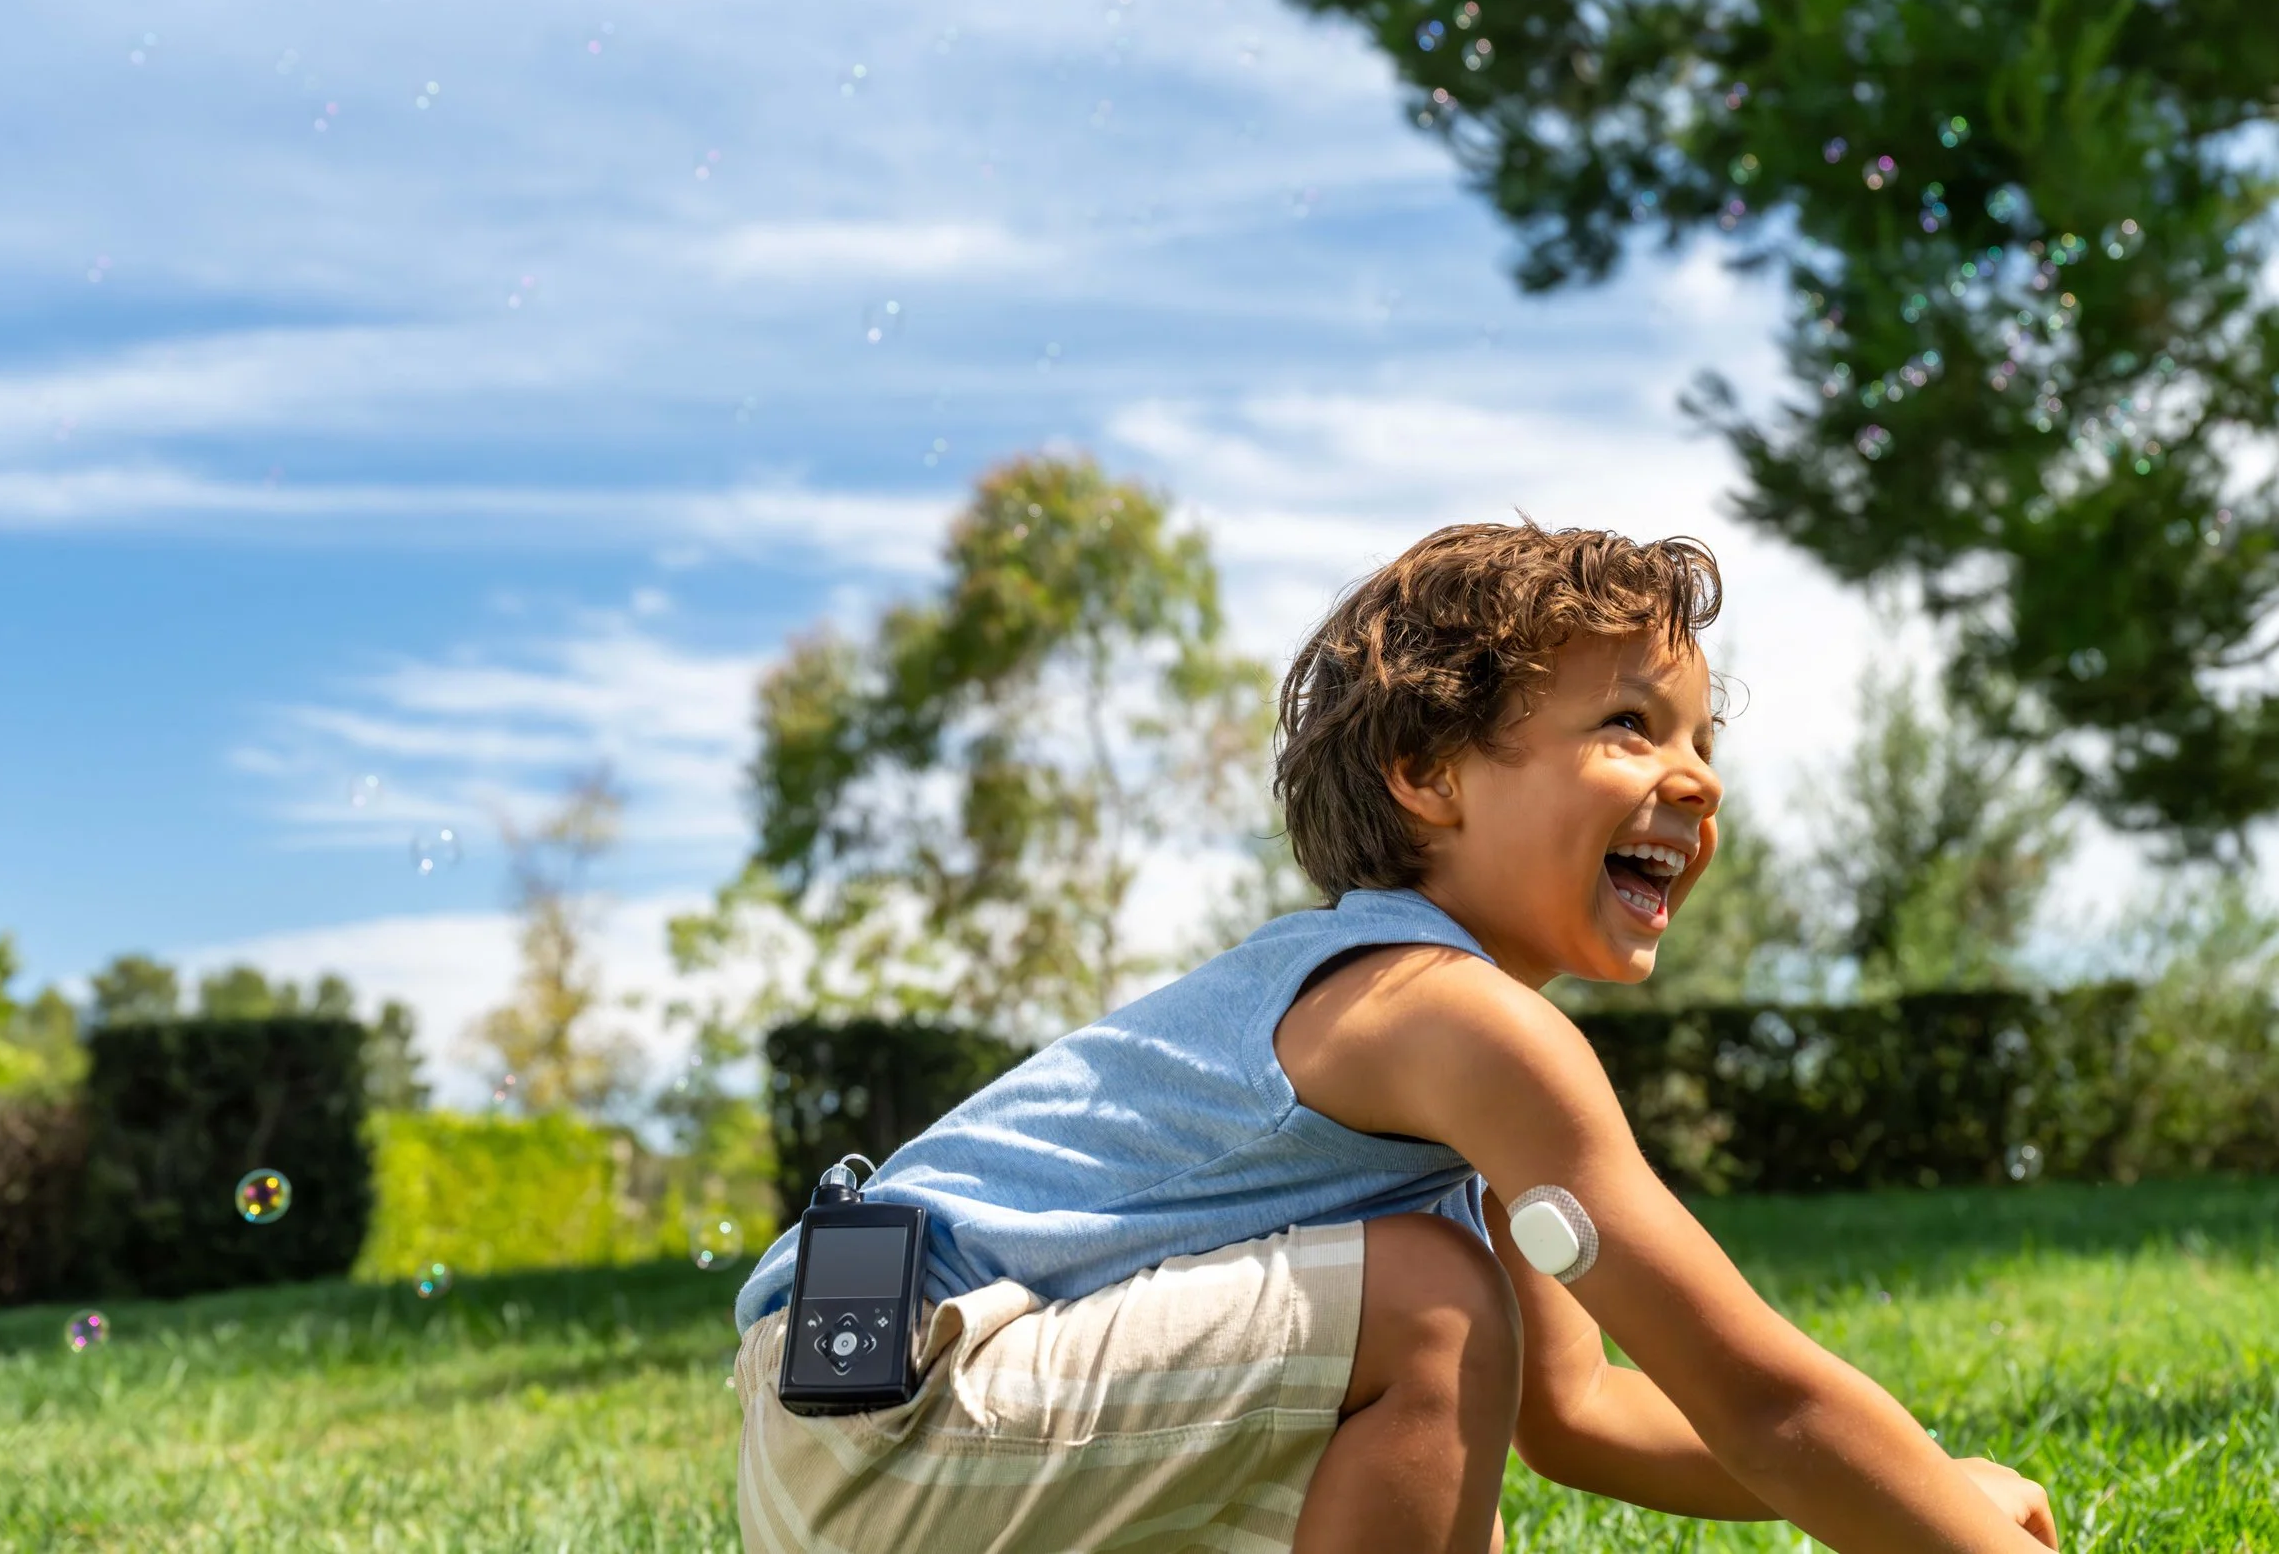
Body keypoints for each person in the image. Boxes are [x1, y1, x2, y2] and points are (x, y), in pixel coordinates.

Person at [730, 522, 2058, 1553]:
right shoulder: (1447, 1013)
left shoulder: (1428, 1049)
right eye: (1628, 723)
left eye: (1702, 738)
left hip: (865, 1408)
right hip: (897, 1411)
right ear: (1427, 773)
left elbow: (1582, 1415)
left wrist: (1929, 1489)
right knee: (1428, 1302)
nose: (1701, 778)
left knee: (1434, 1402)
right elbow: (1758, 1394)